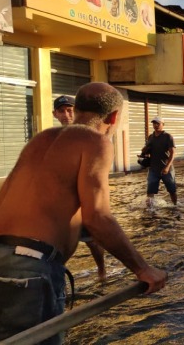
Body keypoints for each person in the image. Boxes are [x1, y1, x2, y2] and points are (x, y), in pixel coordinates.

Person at [0, 82, 167, 344]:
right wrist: (143, 269)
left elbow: (1, 204)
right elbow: (98, 217)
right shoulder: (96, 141)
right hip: (26, 267)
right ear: (114, 117)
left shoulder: (42, 138)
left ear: (76, 108)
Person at [52, 95, 106, 281]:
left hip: (83, 199)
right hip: (61, 202)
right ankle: (58, 277)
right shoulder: (52, 139)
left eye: (70, 110)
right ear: (55, 114)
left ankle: (102, 270)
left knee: (92, 241)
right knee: (57, 243)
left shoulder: (87, 136)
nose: (66, 114)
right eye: (62, 111)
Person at [143, 117, 177, 206]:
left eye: (158, 123)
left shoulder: (168, 137)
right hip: (153, 169)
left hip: (167, 169)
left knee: (172, 190)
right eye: (154, 123)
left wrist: (167, 167)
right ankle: (150, 211)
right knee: (150, 192)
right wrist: (144, 152)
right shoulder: (150, 137)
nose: (156, 125)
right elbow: (147, 151)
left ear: (163, 125)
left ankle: (175, 205)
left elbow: (173, 153)